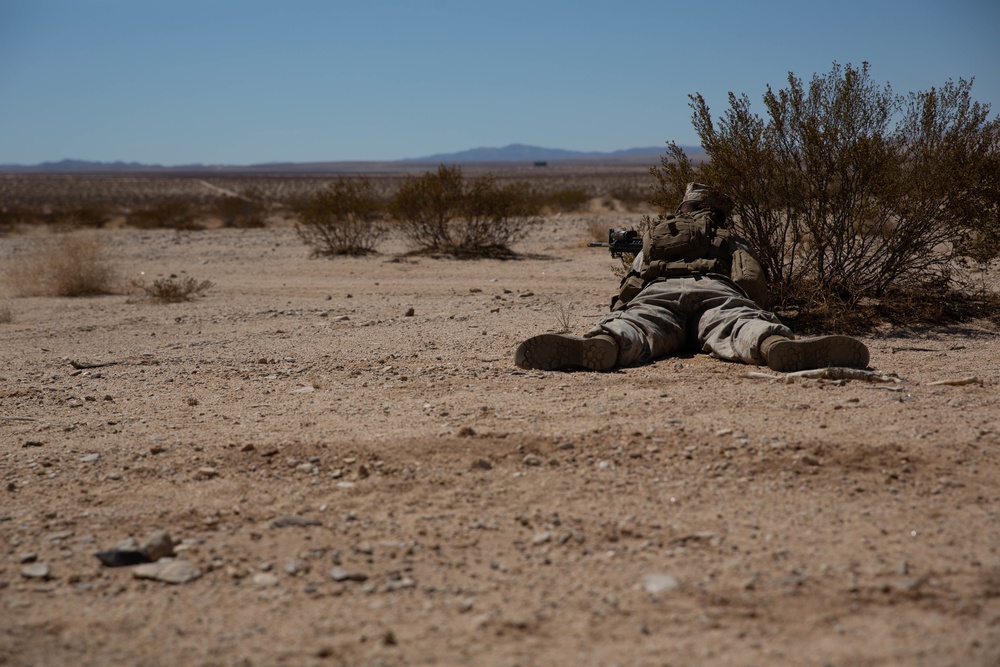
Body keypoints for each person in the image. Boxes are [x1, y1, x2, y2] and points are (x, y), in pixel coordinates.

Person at [514, 183, 869, 373]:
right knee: (735, 324)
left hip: (660, 292)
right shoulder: (728, 236)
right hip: (715, 290)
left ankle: (607, 344)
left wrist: (624, 308)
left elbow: (634, 281)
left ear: (682, 208)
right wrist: (748, 304)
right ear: (717, 212)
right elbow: (751, 279)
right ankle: (770, 344)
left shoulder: (658, 233)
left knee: (639, 325)